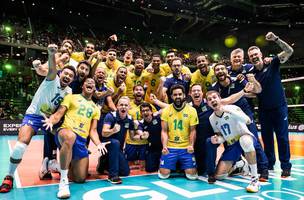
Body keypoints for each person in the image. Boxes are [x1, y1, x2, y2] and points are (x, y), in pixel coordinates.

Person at [0, 44, 76, 193]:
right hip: (34, 115)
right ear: (61, 74)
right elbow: (52, 68)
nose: (67, 76)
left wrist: (54, 120)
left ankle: (58, 172)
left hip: (51, 119)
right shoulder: (52, 78)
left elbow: (61, 109)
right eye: (65, 73)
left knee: (68, 137)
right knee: (20, 146)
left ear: (72, 80)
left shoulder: (69, 91)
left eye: (71, 76)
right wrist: (51, 54)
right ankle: (9, 176)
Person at [42, 78, 109, 198]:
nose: (90, 84)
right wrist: (51, 120)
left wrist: (98, 143)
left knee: (79, 178)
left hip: (81, 141)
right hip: (65, 132)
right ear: (83, 86)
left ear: (94, 89)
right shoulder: (71, 97)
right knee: (70, 136)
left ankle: (57, 166)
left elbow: (92, 130)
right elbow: (59, 114)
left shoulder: (95, 109)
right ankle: (63, 183)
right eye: (87, 82)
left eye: (93, 84)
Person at [209, 63, 269, 181]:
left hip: (241, 114)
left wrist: (243, 92)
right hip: (224, 115)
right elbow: (221, 101)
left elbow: (254, 92)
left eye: (222, 68)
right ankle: (239, 163)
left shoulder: (237, 79)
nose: (220, 71)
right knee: (228, 143)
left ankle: (263, 169)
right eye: (217, 70)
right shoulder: (214, 87)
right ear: (215, 73)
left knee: (251, 142)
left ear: (227, 70)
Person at [248, 32, 294, 177]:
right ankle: (269, 164)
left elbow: (289, 51)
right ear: (249, 58)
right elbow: (255, 92)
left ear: (260, 54)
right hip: (263, 110)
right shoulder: (251, 73)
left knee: (282, 138)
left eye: (256, 54)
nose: (254, 57)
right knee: (267, 139)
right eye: (251, 56)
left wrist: (275, 39)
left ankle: (286, 166)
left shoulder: (273, 62)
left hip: (279, 107)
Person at [206, 90, 261, 193]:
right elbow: (221, 136)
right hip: (232, 145)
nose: (212, 100)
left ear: (219, 99)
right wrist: (217, 140)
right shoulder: (212, 118)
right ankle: (240, 164)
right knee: (219, 176)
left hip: (245, 137)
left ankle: (255, 180)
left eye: (214, 97)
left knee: (245, 141)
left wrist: (231, 112)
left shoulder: (233, 108)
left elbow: (248, 121)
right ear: (208, 104)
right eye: (209, 99)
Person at [159, 84, 198, 180]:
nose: (178, 97)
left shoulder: (192, 110)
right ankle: (172, 166)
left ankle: (180, 166)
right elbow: (164, 131)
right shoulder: (166, 110)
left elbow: (193, 131)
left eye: (180, 94)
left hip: (185, 147)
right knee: (164, 175)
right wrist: (164, 146)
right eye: (175, 95)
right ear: (171, 96)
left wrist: (191, 145)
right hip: (171, 147)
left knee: (192, 176)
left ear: (184, 95)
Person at [101, 96, 135, 184]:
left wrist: (142, 136)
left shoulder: (130, 119)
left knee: (125, 172)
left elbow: (132, 137)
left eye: (126, 105)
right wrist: (113, 131)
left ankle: (104, 163)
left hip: (118, 148)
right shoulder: (111, 116)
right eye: (121, 105)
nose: (123, 107)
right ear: (117, 106)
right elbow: (103, 133)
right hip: (107, 144)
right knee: (115, 143)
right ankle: (112, 176)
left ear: (129, 107)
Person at [137, 102, 162, 172]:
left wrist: (158, 112)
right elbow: (139, 131)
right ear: (141, 113)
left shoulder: (158, 118)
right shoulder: (141, 123)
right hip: (152, 148)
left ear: (151, 111)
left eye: (147, 110)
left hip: (164, 146)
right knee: (149, 169)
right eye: (143, 111)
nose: (145, 112)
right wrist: (143, 135)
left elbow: (168, 108)